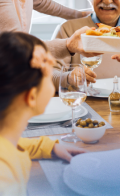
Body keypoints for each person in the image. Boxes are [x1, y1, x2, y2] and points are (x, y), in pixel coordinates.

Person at [0, 32, 87, 196]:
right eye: (48, 76)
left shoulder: (6, 139)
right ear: (31, 97)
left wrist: (48, 147)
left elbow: (13, 143)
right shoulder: (4, 178)